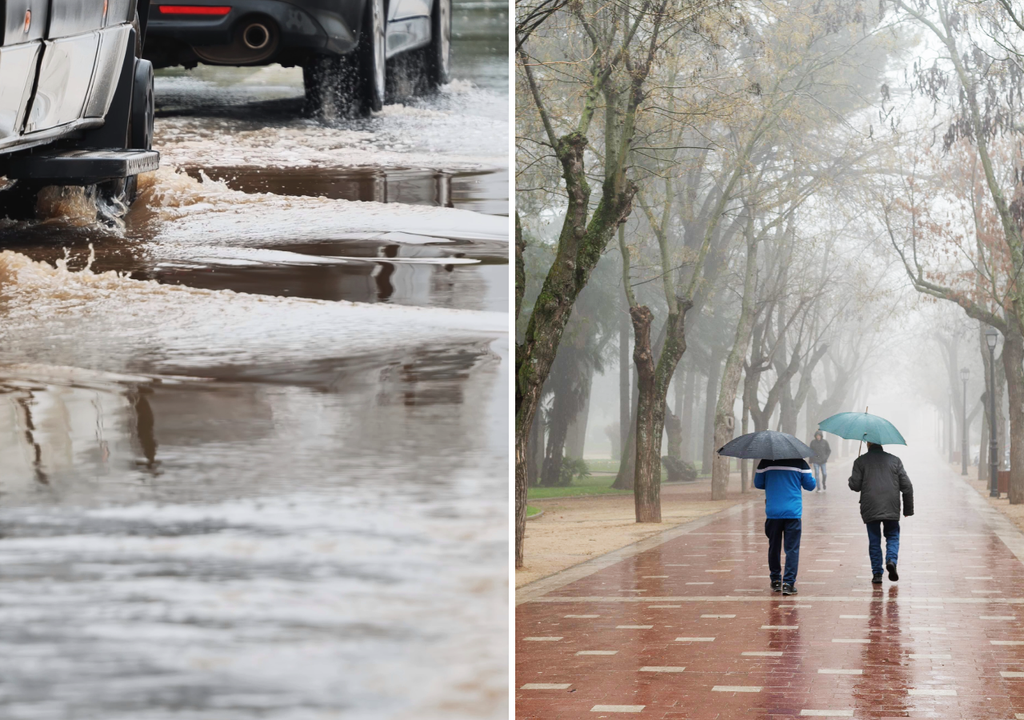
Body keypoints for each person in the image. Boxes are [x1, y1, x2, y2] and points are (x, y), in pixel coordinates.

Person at [848, 442, 914, 584]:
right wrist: (908, 509)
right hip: (891, 505)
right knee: (892, 536)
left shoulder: (860, 461)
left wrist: (852, 478)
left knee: (874, 540)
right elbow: (907, 486)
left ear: (868, 443)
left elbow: (855, 486)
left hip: (870, 505)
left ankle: (877, 574)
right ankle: (891, 560)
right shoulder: (895, 460)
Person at [754, 457, 816, 596]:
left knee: (774, 546)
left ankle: (775, 580)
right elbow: (810, 486)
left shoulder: (766, 462)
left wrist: (773, 481)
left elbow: (758, 483)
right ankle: (788, 583)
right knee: (792, 549)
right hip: (793, 512)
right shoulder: (800, 463)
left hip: (773, 511)